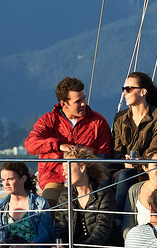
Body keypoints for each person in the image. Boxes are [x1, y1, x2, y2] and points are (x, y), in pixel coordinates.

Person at [24, 76, 114, 204]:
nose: (83, 103)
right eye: (78, 101)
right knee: (48, 207)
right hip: (54, 179)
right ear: (63, 104)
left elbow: (104, 156)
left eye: (84, 98)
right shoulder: (48, 121)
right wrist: (58, 145)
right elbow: (30, 144)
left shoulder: (98, 122)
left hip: (87, 181)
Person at [112, 71, 157, 206]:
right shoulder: (119, 118)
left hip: (148, 168)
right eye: (123, 89)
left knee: (124, 176)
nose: (124, 93)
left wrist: (135, 164)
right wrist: (122, 163)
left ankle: (119, 220)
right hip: (123, 166)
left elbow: (154, 151)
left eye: (128, 89)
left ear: (143, 92)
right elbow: (117, 149)